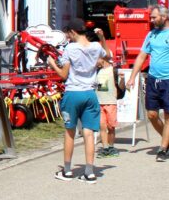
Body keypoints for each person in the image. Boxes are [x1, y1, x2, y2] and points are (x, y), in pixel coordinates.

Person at [126, 4, 169, 162]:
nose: (151, 20)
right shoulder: (151, 35)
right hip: (153, 79)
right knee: (152, 114)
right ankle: (168, 139)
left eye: (154, 17)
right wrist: (133, 76)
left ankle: (162, 148)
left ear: (165, 17)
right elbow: (141, 56)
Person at [49, 17, 104, 183]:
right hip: (90, 93)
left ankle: (67, 170)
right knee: (89, 133)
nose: (68, 37)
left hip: (73, 93)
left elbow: (63, 75)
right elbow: (105, 57)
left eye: (69, 34)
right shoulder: (96, 46)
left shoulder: (70, 48)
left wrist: (52, 63)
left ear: (73, 32)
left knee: (70, 132)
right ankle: (89, 172)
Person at [94, 48, 120, 158]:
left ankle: (111, 146)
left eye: (96, 59)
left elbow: (119, 84)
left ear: (103, 58)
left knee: (111, 126)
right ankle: (105, 147)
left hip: (111, 102)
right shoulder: (96, 71)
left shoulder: (113, 69)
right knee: (102, 126)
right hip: (99, 102)